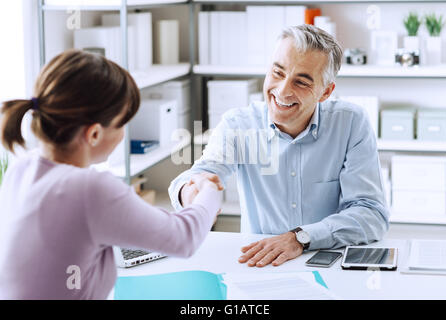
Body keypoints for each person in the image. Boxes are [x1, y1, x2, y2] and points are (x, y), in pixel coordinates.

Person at [0, 49, 222, 299]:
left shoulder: (21, 168)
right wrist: (209, 192)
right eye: (122, 123)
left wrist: (189, 207)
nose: (125, 133)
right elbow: (184, 239)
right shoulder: (89, 189)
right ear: (94, 134)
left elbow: (126, 218)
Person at [169, 24, 389, 268]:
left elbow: (372, 214)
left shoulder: (350, 123)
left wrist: (301, 238)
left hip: (327, 264)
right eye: (277, 73)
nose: (283, 91)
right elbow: (200, 174)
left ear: (325, 92)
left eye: (301, 82)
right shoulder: (239, 124)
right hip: (260, 265)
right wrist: (190, 192)